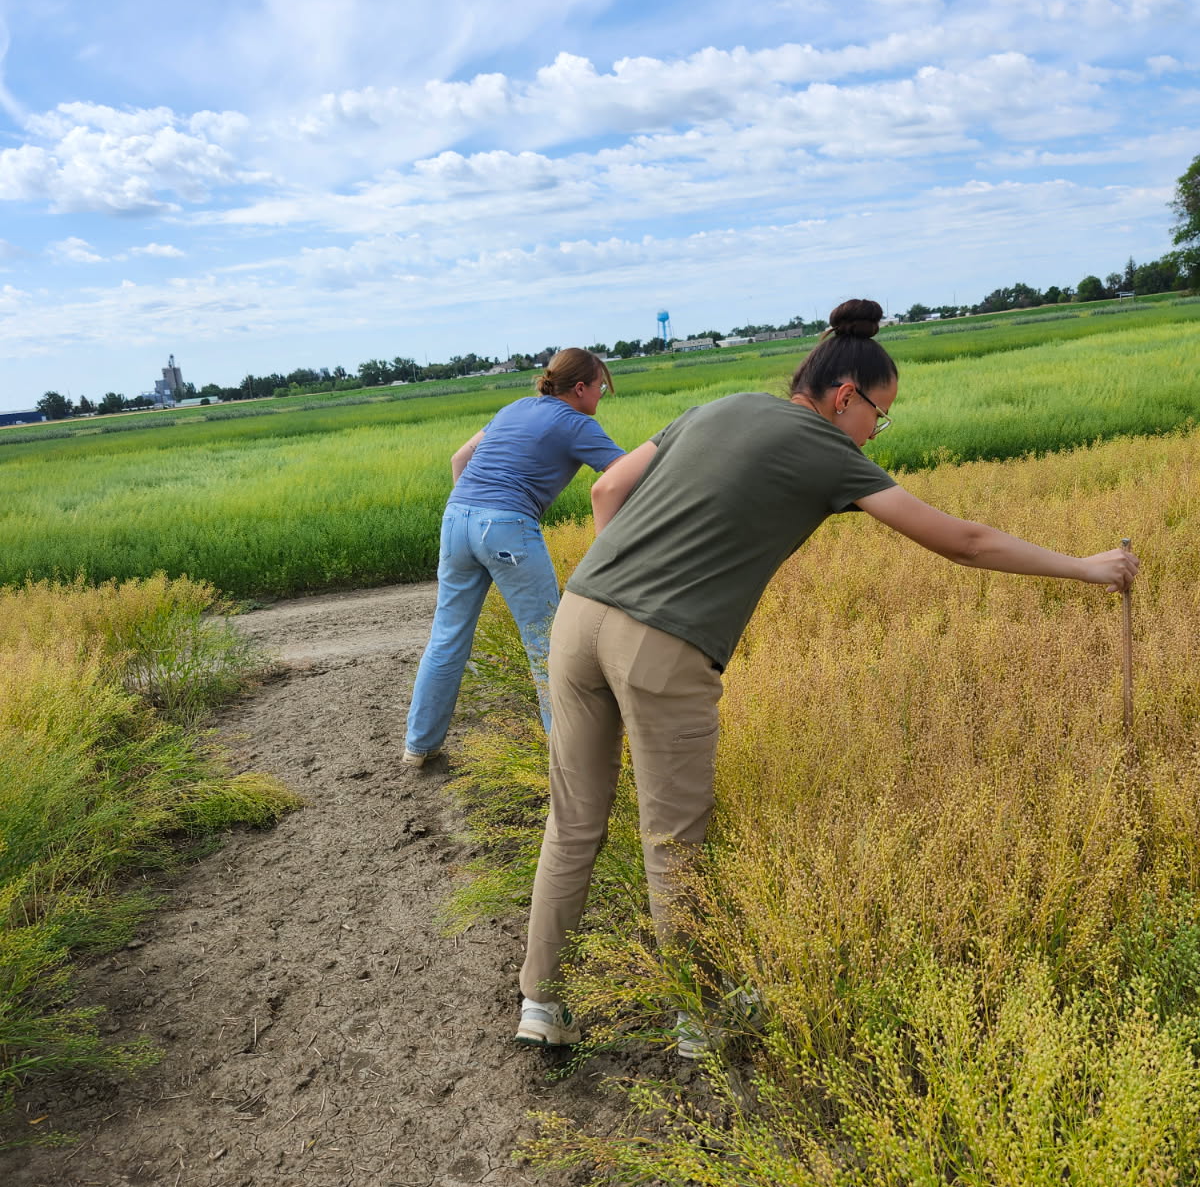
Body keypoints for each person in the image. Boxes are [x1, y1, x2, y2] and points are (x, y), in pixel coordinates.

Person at [513, 299, 1140, 1054]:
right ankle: (699, 1018)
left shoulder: (722, 404)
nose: (878, 431)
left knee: (574, 819)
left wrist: (625, 578)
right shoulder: (826, 448)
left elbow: (606, 491)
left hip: (579, 615)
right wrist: (1085, 567)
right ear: (846, 396)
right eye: (881, 414)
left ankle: (541, 1006)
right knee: (673, 837)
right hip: (663, 645)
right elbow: (964, 543)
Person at [403, 348, 625, 765]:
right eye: (601, 388)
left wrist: (474, 510)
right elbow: (626, 475)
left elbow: (460, 458)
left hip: (456, 519)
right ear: (580, 388)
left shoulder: (516, 407)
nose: (601, 397)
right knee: (547, 644)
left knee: (447, 638)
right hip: (507, 527)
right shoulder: (577, 423)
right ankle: (568, 761)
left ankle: (419, 746)